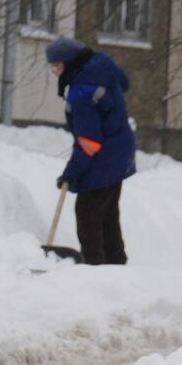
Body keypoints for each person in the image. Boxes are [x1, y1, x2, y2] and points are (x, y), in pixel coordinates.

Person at [46, 37, 137, 266]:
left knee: (88, 214)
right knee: (107, 215)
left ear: (69, 63)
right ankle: (116, 265)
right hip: (120, 151)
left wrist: (71, 172)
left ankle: (94, 268)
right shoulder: (102, 71)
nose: (54, 71)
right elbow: (124, 83)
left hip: (106, 156)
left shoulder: (82, 93)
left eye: (56, 65)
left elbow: (89, 142)